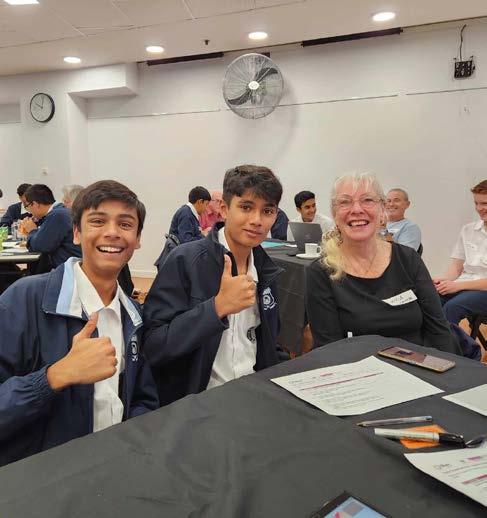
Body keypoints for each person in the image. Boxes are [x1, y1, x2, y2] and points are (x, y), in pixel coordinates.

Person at [0, 180, 159, 466]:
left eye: (125, 224)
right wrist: (53, 377)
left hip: (113, 465)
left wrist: (134, 444)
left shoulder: (133, 315)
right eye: (97, 221)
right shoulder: (23, 300)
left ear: (137, 240)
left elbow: (142, 397)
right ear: (76, 232)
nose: (112, 232)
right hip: (44, 476)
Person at [143, 165, 287, 405]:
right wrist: (216, 308)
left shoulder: (266, 270)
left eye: (267, 211)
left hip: (254, 397)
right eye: (246, 207)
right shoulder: (185, 261)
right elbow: (153, 346)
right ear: (224, 209)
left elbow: (268, 342)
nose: (256, 220)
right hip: (198, 404)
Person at [305, 172, 461, 355]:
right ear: (335, 214)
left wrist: (443, 367)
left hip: (419, 365)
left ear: (382, 210)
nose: (357, 209)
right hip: (356, 368)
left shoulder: (408, 259)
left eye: (367, 200)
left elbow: (439, 329)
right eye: (345, 202)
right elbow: (330, 349)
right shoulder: (321, 272)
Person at [434, 180, 487, 325]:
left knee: (452, 308)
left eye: (484, 203)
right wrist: (444, 281)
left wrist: (458, 286)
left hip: (482, 291)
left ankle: (446, 341)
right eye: (476, 203)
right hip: (464, 286)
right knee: (430, 300)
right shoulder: (468, 230)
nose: (479, 208)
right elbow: (457, 267)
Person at [20, 184, 81, 269]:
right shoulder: (58, 212)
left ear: (35, 204)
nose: (29, 211)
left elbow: (40, 246)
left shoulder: (57, 215)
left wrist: (32, 231)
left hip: (68, 269)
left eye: (28, 206)